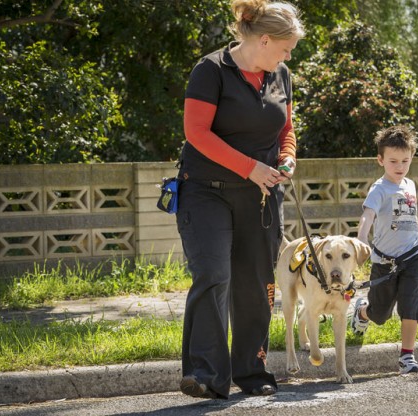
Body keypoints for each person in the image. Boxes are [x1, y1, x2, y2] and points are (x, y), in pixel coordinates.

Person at [175, 0, 304, 400]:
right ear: (264, 39)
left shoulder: (280, 73)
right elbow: (197, 132)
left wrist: (287, 158)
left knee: (255, 284)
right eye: (285, 48)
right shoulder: (210, 70)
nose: (288, 56)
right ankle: (205, 375)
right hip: (205, 192)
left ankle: (252, 371)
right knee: (213, 276)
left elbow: (286, 128)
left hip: (261, 197)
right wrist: (249, 166)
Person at [350, 124, 418, 374]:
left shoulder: (410, 184)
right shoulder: (379, 189)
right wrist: (362, 239)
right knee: (380, 314)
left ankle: (407, 356)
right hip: (385, 261)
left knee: (410, 306)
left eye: (405, 160)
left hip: (413, 256)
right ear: (380, 160)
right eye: (393, 161)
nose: (400, 166)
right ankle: (362, 312)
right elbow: (368, 215)